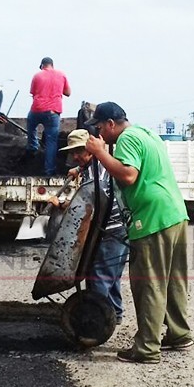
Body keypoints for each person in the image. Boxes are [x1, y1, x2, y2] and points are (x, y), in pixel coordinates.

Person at [84, 102, 193, 364]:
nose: (98, 133)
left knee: (149, 283)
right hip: (174, 213)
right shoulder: (147, 133)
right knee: (173, 280)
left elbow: (129, 175)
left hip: (152, 217)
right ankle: (179, 334)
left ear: (111, 124)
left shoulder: (127, 139)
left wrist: (100, 153)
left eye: (99, 128)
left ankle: (146, 349)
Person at [50, 129, 128, 324]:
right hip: (117, 228)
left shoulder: (97, 171)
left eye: (79, 151)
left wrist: (62, 205)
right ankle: (114, 315)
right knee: (111, 274)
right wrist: (79, 169)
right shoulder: (96, 165)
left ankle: (95, 323)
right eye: (72, 152)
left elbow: (90, 204)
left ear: (91, 149)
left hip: (110, 230)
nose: (75, 156)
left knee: (99, 277)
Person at [26, 57, 72, 175]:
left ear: (42, 66)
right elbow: (68, 93)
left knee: (31, 125)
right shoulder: (61, 75)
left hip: (37, 109)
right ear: (52, 65)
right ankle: (49, 171)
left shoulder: (37, 76)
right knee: (52, 141)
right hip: (53, 112)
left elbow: (33, 93)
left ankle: (33, 147)